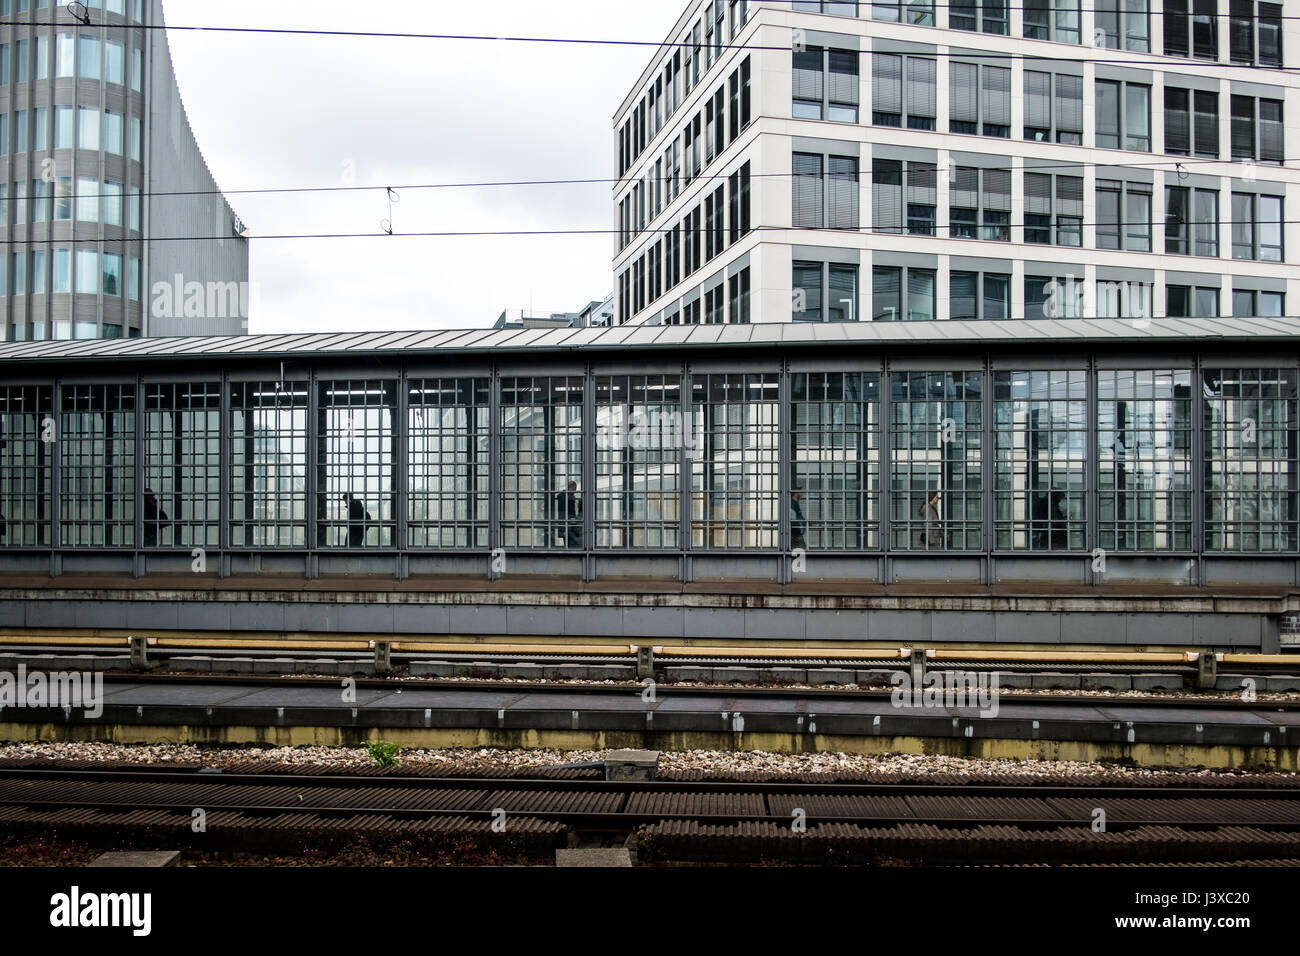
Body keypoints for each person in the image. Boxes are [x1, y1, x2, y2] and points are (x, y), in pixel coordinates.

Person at [555, 480, 582, 548]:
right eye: (574, 489)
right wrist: (563, 529)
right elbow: (562, 514)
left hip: (570, 524)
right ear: (570, 488)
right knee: (569, 545)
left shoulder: (568, 497)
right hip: (567, 525)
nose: (575, 491)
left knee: (570, 544)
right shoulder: (565, 497)